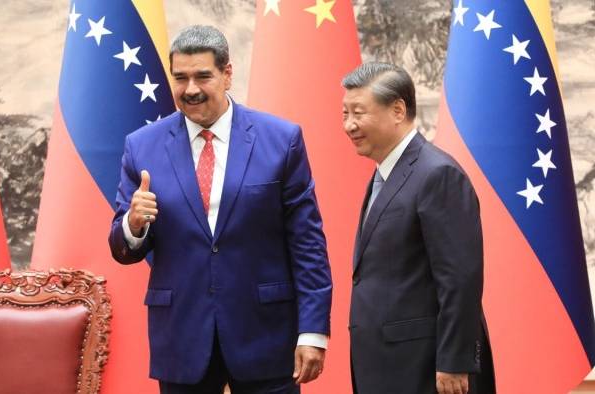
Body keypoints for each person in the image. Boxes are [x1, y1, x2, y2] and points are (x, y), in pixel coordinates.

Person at [108, 25, 332, 394]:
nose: (191, 89)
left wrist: (313, 332)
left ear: (227, 74)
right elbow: (122, 250)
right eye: (180, 78)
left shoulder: (281, 140)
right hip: (182, 340)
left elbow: (307, 245)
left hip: (265, 337)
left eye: (202, 76)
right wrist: (133, 224)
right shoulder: (141, 146)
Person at [342, 62, 495, 394]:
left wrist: (455, 360)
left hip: (427, 370)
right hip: (388, 366)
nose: (349, 125)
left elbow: (459, 278)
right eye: (345, 113)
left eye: (358, 113)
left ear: (398, 110)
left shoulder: (437, 174)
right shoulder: (385, 174)